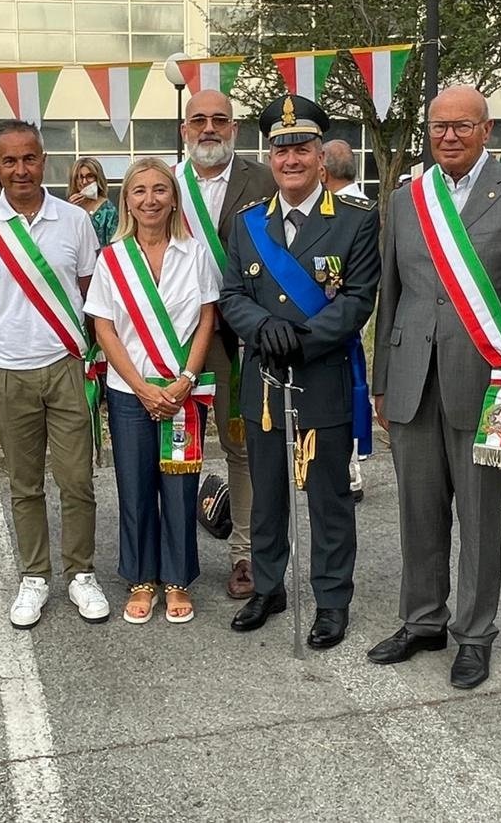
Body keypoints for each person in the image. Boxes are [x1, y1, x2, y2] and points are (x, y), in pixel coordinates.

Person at [367, 86, 501, 689]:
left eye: (462, 126)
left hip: (487, 387)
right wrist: (380, 381)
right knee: (417, 513)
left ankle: (475, 634)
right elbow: (390, 296)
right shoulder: (405, 200)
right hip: (412, 382)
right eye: (439, 126)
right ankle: (423, 620)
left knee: (479, 519)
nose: (449, 136)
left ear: (486, 129)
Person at [219, 94, 380, 650]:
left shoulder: (356, 220)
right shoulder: (247, 225)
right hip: (264, 380)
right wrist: (264, 329)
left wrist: (302, 339)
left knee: (328, 497)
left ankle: (332, 599)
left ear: (321, 156)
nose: (290, 159)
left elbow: (359, 298)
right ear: (270, 156)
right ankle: (269, 586)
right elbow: (232, 293)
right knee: (267, 493)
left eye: (301, 149)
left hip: (322, 376)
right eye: (280, 149)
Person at [0, 119, 108, 630]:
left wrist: (97, 362)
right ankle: (35, 575)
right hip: (6, 372)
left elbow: (96, 301)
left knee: (76, 480)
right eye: (9, 161)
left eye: (30, 158)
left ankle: (81, 572)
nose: (21, 169)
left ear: (45, 160)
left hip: (67, 367)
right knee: (24, 485)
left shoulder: (75, 222)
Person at [85, 158, 221, 624]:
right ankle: (142, 577)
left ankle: (178, 578)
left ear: (173, 198)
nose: (150, 199)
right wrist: (141, 386)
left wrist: (184, 380)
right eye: (139, 191)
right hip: (130, 392)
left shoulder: (195, 253)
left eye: (159, 190)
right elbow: (103, 326)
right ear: (127, 200)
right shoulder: (112, 258)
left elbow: (207, 318)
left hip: (184, 393)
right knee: (136, 486)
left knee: (180, 488)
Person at [175, 88, 277, 601]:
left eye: (220, 119)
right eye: (199, 120)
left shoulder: (264, 178)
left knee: (242, 445)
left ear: (234, 129)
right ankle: (174, 556)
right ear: (184, 129)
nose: (209, 128)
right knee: (178, 444)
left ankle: (245, 555)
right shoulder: (166, 185)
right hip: (186, 334)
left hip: (247, 334)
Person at [320, 139, 373, 501]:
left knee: (349, 392)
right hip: (328, 317)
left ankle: (350, 469)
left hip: (346, 316)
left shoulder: (359, 210)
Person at [68, 157, 119, 248]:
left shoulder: (108, 210)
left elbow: (114, 245)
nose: (84, 182)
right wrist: (68, 210)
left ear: (98, 178)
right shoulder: (68, 207)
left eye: (90, 176)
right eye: (79, 177)